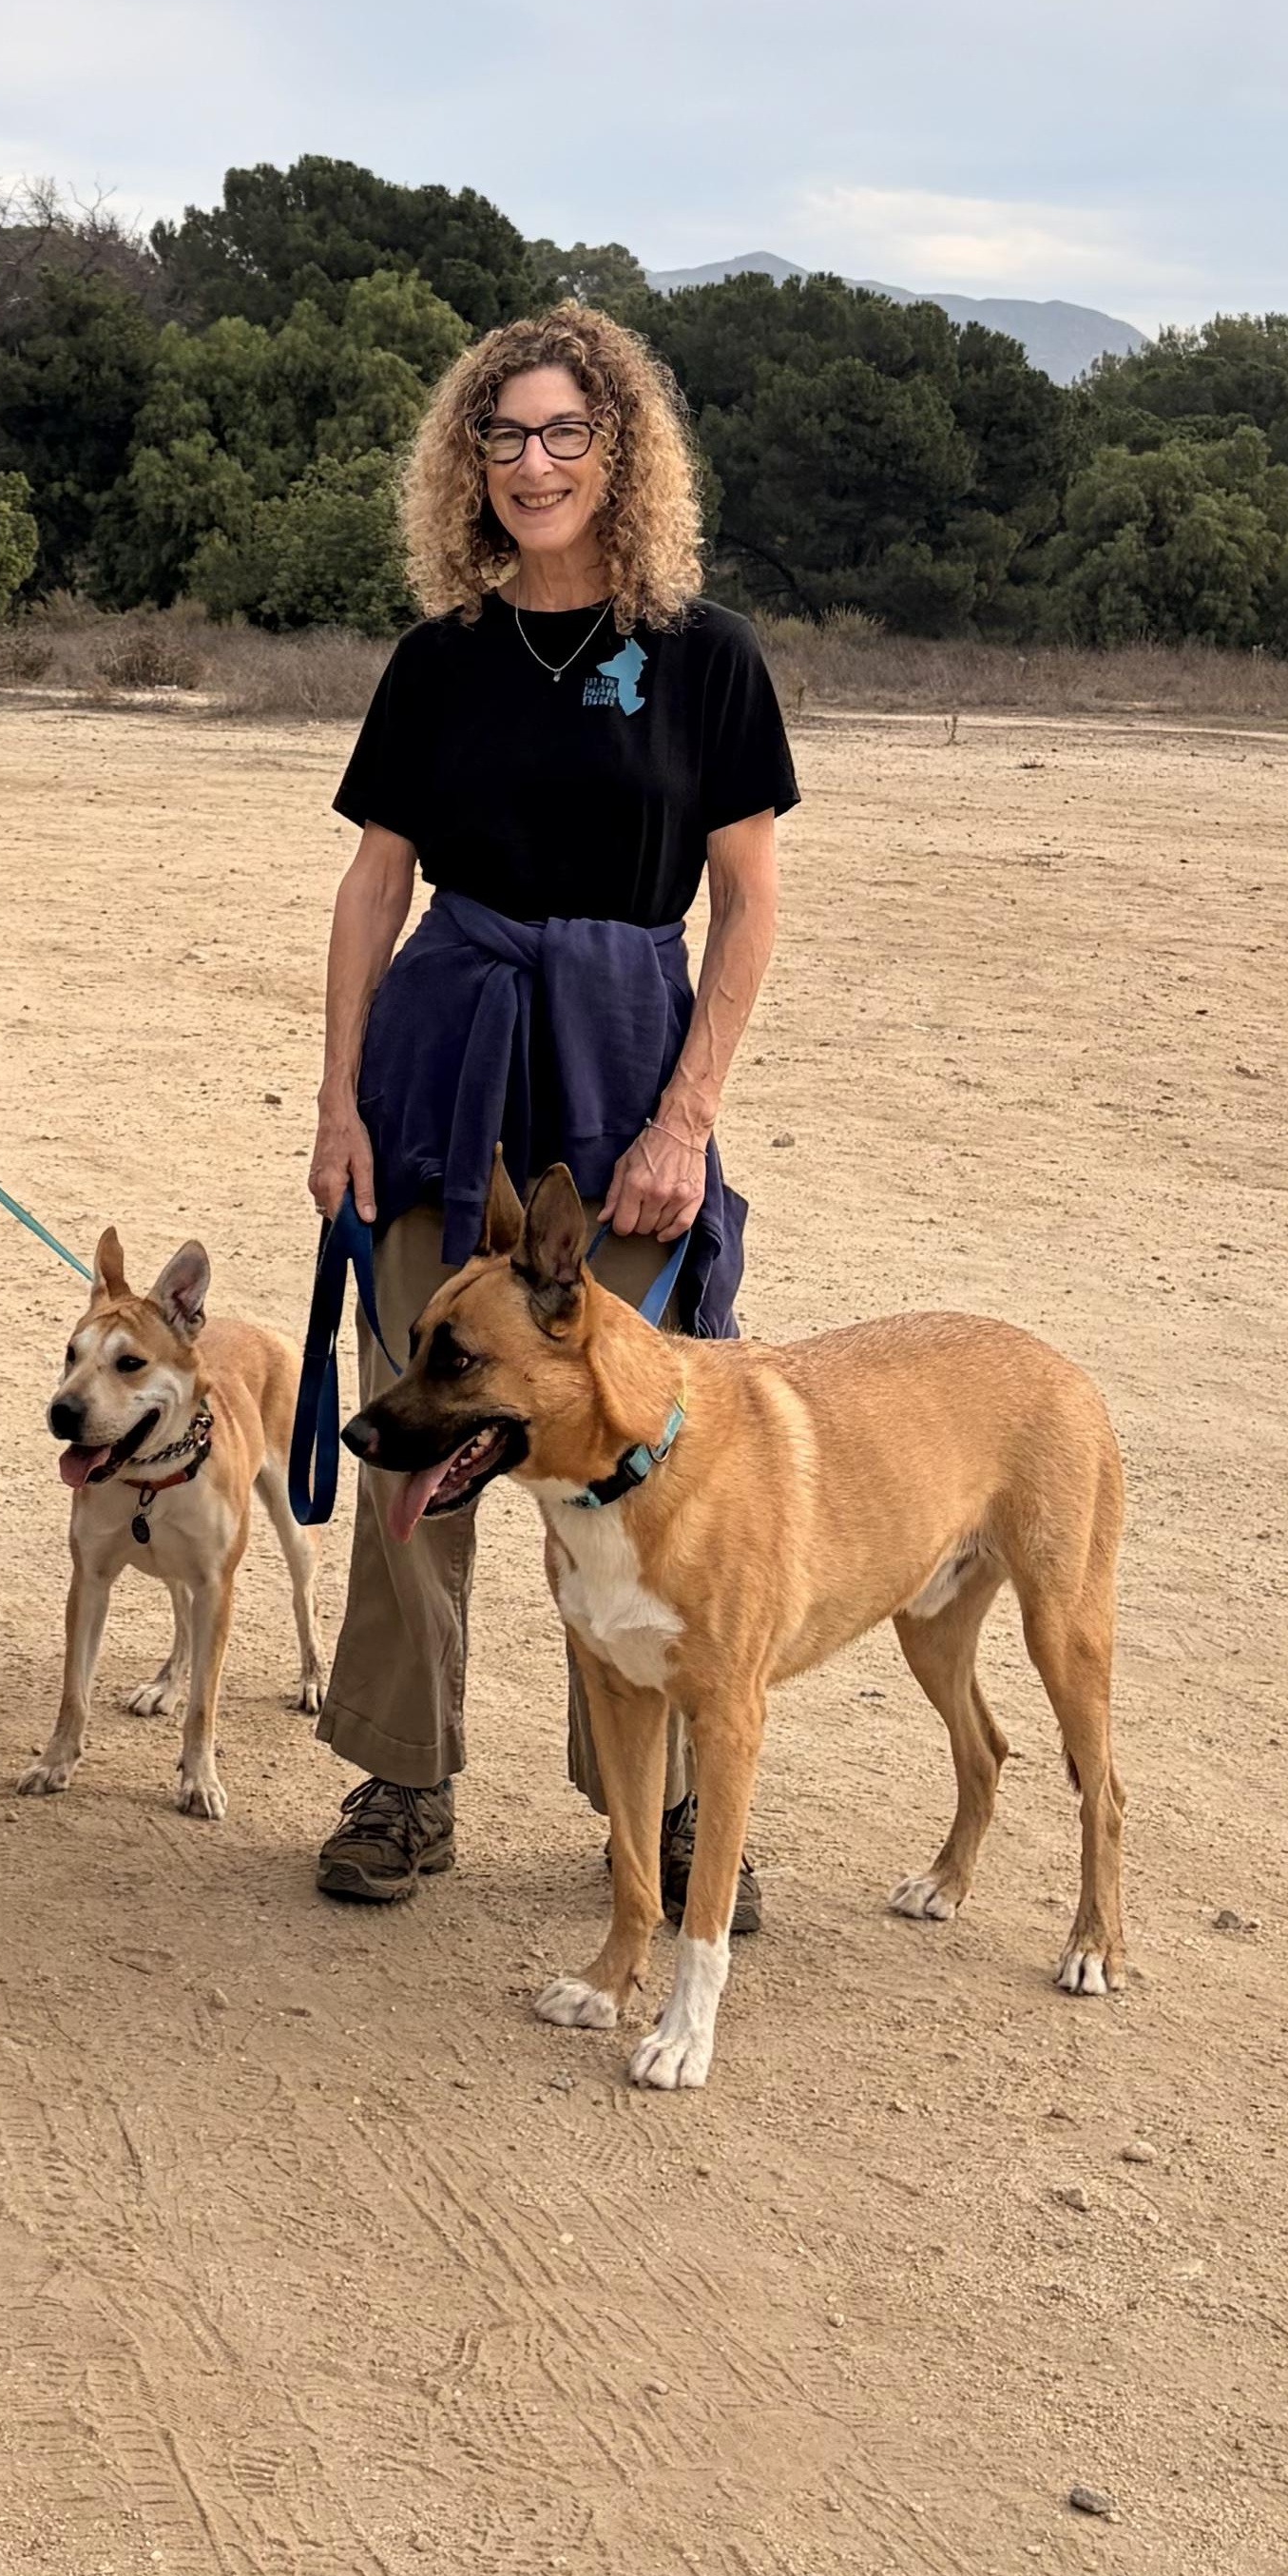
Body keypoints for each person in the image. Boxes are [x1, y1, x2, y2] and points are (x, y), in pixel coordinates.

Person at [305, 301, 797, 1918]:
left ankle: (645, 1807)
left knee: (639, 1448)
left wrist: (686, 1118)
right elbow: (374, 887)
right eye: (501, 437)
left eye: (561, 433)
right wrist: (336, 1104)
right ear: (468, 460)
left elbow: (748, 903)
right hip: (443, 1062)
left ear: (620, 450)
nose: (530, 464)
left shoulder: (707, 655)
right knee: (419, 1414)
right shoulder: (438, 658)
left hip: (622, 1059)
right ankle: (402, 1774)